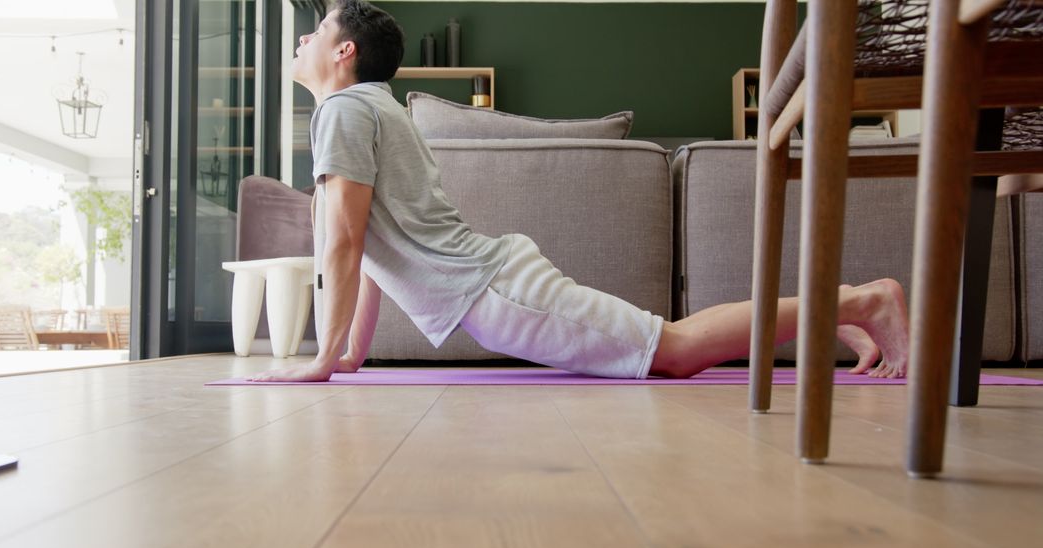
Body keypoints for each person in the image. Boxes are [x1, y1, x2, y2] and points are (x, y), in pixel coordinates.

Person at [249, 0, 909, 382]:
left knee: (673, 352)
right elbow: (369, 251)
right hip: (493, 285)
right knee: (670, 347)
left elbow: (345, 240)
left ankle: (862, 301)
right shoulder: (372, 108)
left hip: (497, 292)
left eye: (317, 29)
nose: (303, 37)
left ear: (345, 52)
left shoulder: (343, 112)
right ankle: (839, 313)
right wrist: (348, 354)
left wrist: (323, 358)